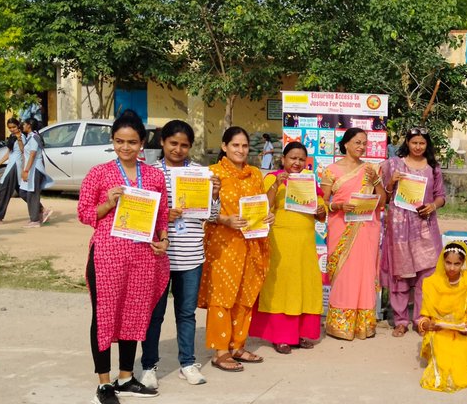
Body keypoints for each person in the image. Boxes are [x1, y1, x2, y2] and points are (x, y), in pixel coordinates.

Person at [76, 112, 169, 404]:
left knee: (135, 312)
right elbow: (84, 213)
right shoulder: (99, 174)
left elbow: (162, 213)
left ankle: (126, 376)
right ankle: (104, 382)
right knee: (104, 315)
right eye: (119, 142)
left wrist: (163, 239)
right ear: (112, 142)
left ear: (142, 143)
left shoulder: (153, 176)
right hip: (107, 254)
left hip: (142, 255)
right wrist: (108, 203)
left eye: (132, 142)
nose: (126, 148)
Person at [139, 120, 219, 388]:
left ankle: (187, 363)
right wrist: (164, 214)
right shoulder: (149, 174)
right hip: (158, 255)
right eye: (173, 143)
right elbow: (139, 217)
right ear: (162, 142)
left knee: (186, 313)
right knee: (155, 314)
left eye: (184, 145)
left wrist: (214, 195)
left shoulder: (200, 173)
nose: (178, 149)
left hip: (191, 255)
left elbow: (213, 216)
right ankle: (149, 366)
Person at [200, 127, 274, 372]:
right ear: (224, 147)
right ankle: (220, 352)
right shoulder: (213, 174)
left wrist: (268, 216)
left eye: (244, 146)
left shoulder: (255, 174)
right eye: (235, 145)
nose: (240, 150)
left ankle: (238, 346)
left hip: (252, 243)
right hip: (223, 244)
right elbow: (200, 211)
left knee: (246, 295)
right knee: (221, 297)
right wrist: (224, 220)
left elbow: (260, 205)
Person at [250, 142, 327, 354]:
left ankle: (302, 334)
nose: (297, 162)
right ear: (283, 159)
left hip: (304, 243)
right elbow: (264, 207)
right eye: (292, 158)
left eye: (301, 159)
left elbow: (321, 216)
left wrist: (321, 209)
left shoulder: (310, 182)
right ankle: (280, 337)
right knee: (282, 287)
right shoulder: (273, 178)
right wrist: (277, 185)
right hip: (280, 240)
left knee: (304, 286)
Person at [320, 128, 387, 340]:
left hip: (366, 229)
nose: (361, 147)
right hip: (341, 227)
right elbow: (323, 203)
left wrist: (376, 181)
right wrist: (339, 205)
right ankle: (341, 324)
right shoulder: (331, 170)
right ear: (346, 143)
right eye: (357, 142)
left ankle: (363, 324)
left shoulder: (370, 169)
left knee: (364, 273)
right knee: (345, 274)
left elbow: (382, 201)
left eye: (364, 143)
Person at [380, 128, 447, 337]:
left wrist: (433, 206)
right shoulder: (393, 164)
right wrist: (392, 181)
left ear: (427, 146)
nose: (418, 147)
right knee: (400, 273)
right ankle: (400, 320)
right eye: (414, 142)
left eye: (422, 143)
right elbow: (385, 196)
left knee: (425, 274)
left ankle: (421, 319)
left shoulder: (433, 168)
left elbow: (441, 196)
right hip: (399, 225)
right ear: (407, 143)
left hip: (425, 225)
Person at [417, 242, 467, 393]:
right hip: (438, 332)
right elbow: (424, 317)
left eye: (456, 264)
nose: (452, 268)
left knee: (460, 358)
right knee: (443, 362)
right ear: (442, 261)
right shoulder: (431, 283)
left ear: (463, 263)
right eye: (448, 263)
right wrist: (427, 325)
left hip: (461, 332)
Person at [0, 119, 24, 225]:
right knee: (22, 192)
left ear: (18, 126)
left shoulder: (22, 137)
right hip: (11, 165)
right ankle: (40, 209)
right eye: (10, 128)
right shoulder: (12, 137)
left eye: (14, 127)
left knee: (4, 191)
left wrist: (19, 140)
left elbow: (23, 150)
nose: (12, 129)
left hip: (15, 166)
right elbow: (9, 153)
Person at [18, 118, 54, 228]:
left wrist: (26, 171)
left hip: (35, 169)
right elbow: (24, 151)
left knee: (32, 194)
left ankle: (34, 220)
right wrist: (19, 139)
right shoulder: (29, 137)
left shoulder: (34, 138)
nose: (22, 126)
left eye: (24, 124)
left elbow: (33, 155)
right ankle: (42, 211)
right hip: (31, 169)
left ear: (29, 125)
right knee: (23, 192)